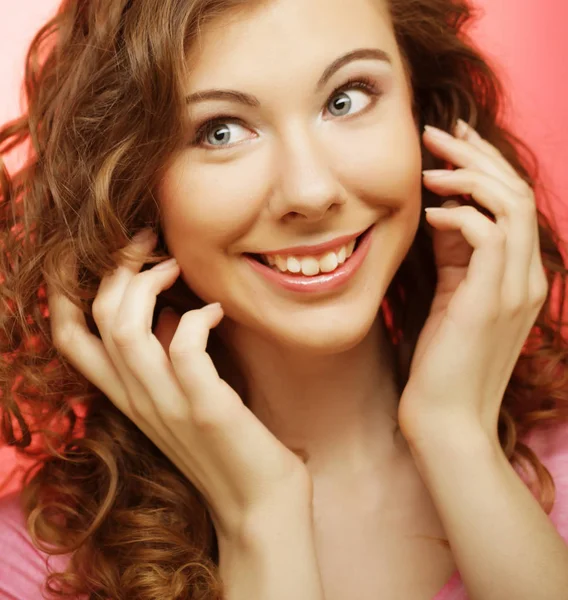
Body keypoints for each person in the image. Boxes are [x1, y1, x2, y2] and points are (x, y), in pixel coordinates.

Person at [1, 0, 567, 598]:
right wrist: (260, 520)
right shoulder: (34, 564)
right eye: (220, 131)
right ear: (129, 191)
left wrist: (458, 438)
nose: (311, 190)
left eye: (346, 97)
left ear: (421, 109)